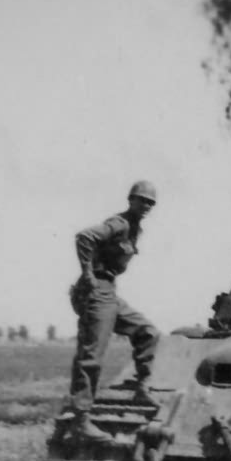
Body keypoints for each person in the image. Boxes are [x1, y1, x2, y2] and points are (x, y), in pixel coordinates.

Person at [68, 179, 161, 442]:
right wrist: (87, 274)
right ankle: (80, 420)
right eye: (142, 200)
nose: (146, 206)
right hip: (97, 290)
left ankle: (142, 387)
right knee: (91, 355)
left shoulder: (134, 229)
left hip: (108, 291)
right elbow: (85, 237)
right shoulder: (119, 224)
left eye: (151, 203)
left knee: (147, 332)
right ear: (130, 200)